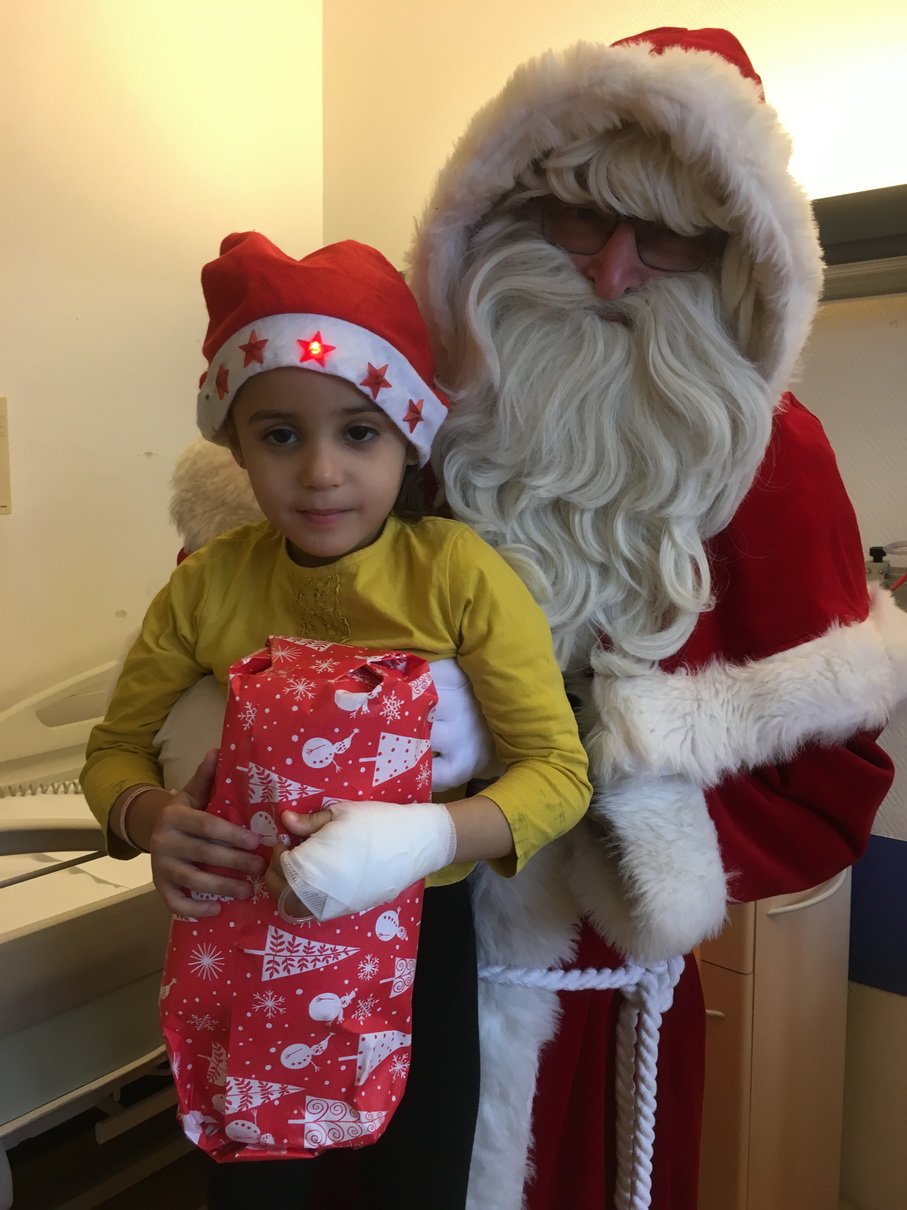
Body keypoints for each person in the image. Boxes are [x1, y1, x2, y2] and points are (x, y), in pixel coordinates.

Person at [405, 26, 907, 1210]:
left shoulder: (775, 462)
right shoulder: (411, 415)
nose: (611, 273)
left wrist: (618, 803)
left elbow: (830, 786)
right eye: (580, 216)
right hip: (369, 956)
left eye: (667, 235)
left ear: (737, 259)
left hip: (591, 994)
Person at [80, 233, 592, 1210]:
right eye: (280, 435)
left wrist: (425, 835)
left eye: (358, 433)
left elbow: (558, 775)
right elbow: (112, 752)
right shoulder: (208, 587)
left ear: (409, 437)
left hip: (424, 938)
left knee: (418, 1182)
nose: (320, 472)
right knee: (253, 1188)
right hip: (245, 935)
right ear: (236, 444)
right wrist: (150, 819)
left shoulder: (456, 577)